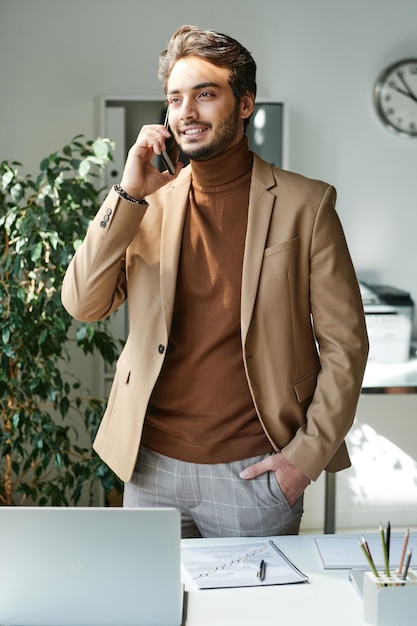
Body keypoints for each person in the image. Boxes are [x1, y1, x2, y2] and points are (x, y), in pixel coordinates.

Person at [61, 25, 368, 538]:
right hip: (149, 468)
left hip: (254, 474)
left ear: (244, 103)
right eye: (175, 98)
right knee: (151, 615)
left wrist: (304, 459)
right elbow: (83, 303)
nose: (186, 112)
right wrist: (127, 194)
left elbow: (346, 346)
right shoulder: (146, 202)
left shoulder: (306, 205)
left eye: (205, 95)